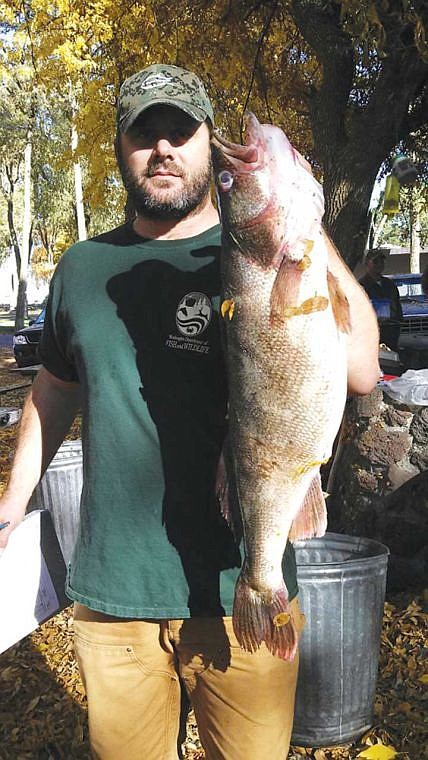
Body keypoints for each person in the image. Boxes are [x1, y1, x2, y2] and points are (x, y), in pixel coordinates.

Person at [0, 63, 380, 760]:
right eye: (145, 135)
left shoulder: (258, 250)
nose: (164, 149)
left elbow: (358, 371)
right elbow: (53, 389)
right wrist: (10, 504)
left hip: (245, 586)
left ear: (208, 142)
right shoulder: (82, 268)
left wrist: (301, 226)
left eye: (182, 131)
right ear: (119, 149)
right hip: (115, 594)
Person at [359, 249, 403, 351]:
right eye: (375, 261)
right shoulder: (360, 285)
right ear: (367, 263)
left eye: (381, 261)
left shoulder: (390, 284)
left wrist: (397, 324)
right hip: (371, 333)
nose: (379, 264)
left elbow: (397, 308)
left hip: (391, 332)